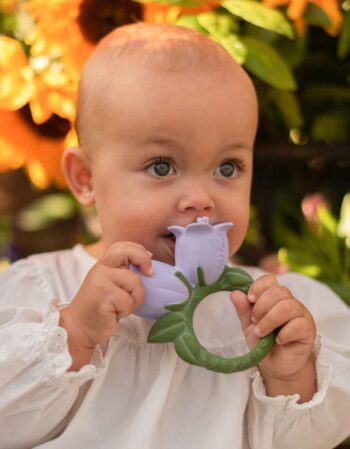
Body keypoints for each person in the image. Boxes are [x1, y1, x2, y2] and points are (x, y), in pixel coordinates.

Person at [1, 22, 350, 449]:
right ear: (85, 177)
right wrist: (74, 335)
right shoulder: (41, 292)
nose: (201, 199)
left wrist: (293, 375)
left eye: (228, 167)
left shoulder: (270, 311)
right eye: (162, 166)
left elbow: (319, 435)